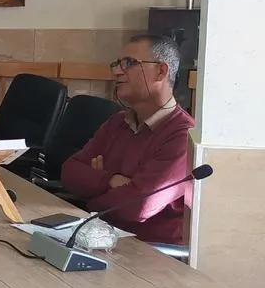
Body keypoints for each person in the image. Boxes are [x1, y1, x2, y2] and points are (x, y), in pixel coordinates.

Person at [60, 35, 195, 245]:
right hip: (101, 234)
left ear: (161, 71)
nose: (117, 71)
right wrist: (110, 180)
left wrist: (93, 194)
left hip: (151, 250)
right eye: (117, 64)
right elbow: (69, 171)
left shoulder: (183, 134)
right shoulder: (118, 122)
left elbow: (139, 206)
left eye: (130, 63)